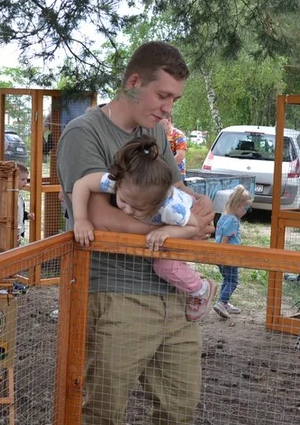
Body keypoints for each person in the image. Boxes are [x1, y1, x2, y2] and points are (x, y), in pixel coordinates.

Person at [57, 40, 214, 425]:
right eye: (162, 95)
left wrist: (200, 208)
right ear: (133, 81)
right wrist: (178, 236)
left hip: (169, 293)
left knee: (180, 401)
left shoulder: (154, 134)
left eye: (173, 99)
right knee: (105, 407)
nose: (168, 108)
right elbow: (101, 216)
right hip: (116, 293)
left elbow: (174, 191)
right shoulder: (85, 134)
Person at [72, 136, 219, 322]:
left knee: (163, 265)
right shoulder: (120, 181)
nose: (127, 210)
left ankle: (201, 289)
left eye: (138, 209)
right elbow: (81, 184)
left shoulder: (171, 209)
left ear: (157, 203)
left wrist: (166, 232)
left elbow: (194, 226)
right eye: (123, 201)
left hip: (185, 221)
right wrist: (81, 219)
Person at [213, 184, 252, 318]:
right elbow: (225, 239)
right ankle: (221, 302)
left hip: (220, 256)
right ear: (238, 206)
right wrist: (225, 255)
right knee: (233, 281)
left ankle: (225, 302)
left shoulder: (224, 216)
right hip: (228, 257)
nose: (246, 211)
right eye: (246, 208)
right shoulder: (233, 220)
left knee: (227, 279)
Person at [161, 116, 188, 180]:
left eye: (161, 119)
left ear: (168, 120)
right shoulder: (161, 135)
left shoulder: (178, 134)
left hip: (175, 174)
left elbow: (180, 156)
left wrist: (165, 167)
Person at [14, 162, 31, 243]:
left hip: (19, 234)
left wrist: (27, 215)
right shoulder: (7, 197)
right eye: (22, 179)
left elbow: (20, 212)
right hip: (10, 234)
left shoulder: (19, 196)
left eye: (26, 179)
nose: (25, 182)